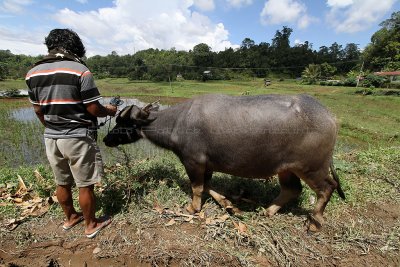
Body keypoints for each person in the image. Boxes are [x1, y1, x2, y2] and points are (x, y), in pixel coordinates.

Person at [26, 29, 117, 238]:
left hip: (51, 137)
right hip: (77, 136)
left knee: (62, 181)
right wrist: (109, 110)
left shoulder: (33, 72)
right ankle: (91, 224)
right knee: (85, 184)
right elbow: (93, 109)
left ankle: (70, 218)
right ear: (75, 46)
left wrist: (51, 127)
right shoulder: (80, 70)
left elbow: (38, 110)